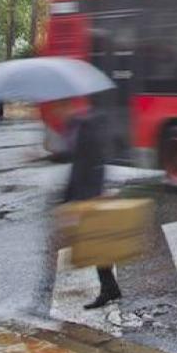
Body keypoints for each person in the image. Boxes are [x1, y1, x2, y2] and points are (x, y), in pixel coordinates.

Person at [50, 96, 122, 310]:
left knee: (95, 242)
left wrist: (97, 193)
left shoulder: (86, 126)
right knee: (95, 242)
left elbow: (97, 160)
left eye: (58, 109)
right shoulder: (72, 127)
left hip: (91, 194)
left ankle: (109, 289)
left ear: (67, 106)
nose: (56, 115)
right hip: (81, 194)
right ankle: (110, 288)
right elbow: (74, 161)